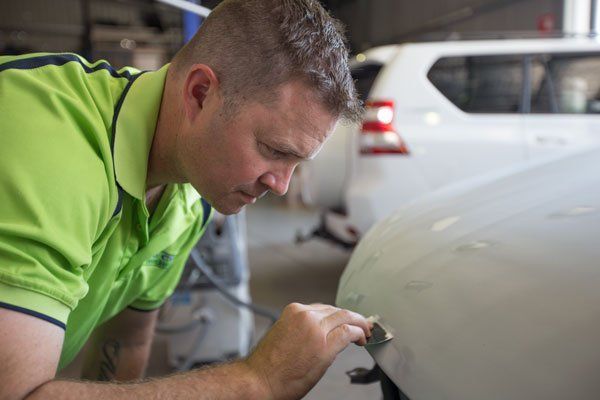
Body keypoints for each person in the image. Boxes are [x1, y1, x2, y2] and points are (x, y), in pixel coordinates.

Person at [0, 0, 373, 399]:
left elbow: (126, 343)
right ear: (199, 93)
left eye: (297, 162)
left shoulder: (185, 204)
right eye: (273, 149)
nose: (281, 185)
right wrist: (257, 380)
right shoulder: (48, 140)